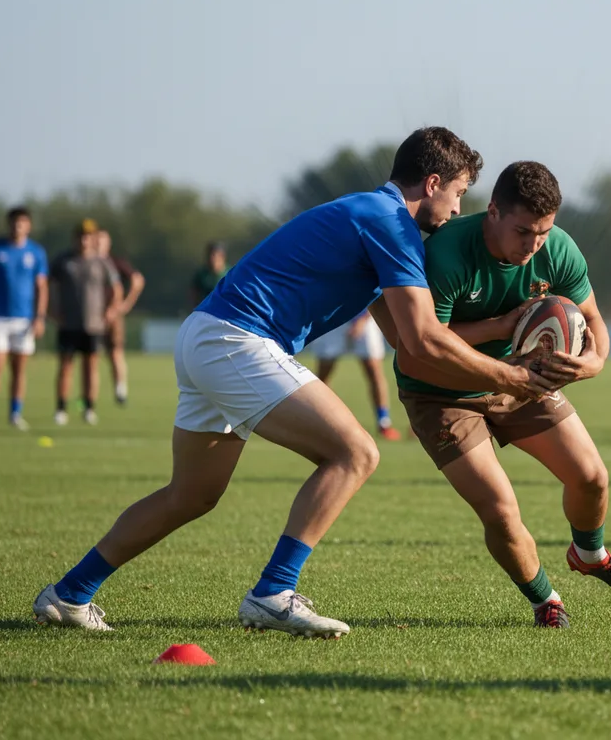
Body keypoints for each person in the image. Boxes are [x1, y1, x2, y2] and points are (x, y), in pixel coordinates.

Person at [33, 127, 551, 637]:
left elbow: (403, 338)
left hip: (207, 335)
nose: (461, 209)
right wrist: (511, 375)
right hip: (238, 339)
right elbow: (422, 340)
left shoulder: (369, 215)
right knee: (356, 453)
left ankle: (70, 594)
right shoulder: (391, 222)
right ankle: (274, 593)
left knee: (191, 495)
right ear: (434, 182)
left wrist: (502, 332)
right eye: (460, 192)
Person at [394, 161, 611, 628]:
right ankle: (546, 601)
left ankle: (590, 555)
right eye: (523, 232)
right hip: (441, 392)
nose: (533, 245)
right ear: (492, 210)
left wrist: (593, 362)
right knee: (499, 509)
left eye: (543, 232)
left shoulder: (557, 249)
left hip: (522, 382)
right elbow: (421, 347)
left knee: (592, 476)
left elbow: (593, 319)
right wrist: (501, 327)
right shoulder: (448, 253)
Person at [49, 219, 123, 426]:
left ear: (93, 238)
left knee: (90, 367)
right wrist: (52, 310)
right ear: (75, 238)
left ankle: (89, 407)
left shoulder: (101, 262)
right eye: (81, 236)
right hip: (68, 323)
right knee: (65, 366)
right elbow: (49, 285)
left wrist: (111, 311)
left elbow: (116, 288)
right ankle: (61, 407)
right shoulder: (63, 260)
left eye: (88, 236)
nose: (84, 240)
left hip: (93, 324)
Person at [311, 311, 402, 440]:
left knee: (374, 371)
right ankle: (322, 423)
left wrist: (361, 319)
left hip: (364, 316)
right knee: (322, 376)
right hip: (332, 319)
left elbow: (374, 291)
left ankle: (384, 423)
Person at [0, 206, 48, 430]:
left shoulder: (36, 253)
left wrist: (40, 317)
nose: (18, 226)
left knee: (19, 370)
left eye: (22, 222)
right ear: (8, 224)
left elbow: (42, 287)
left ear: (28, 226)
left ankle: (15, 414)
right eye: (14, 222)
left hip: (24, 319)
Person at [96, 230, 146, 405]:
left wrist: (125, 305)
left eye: (102, 241)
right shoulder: (88, 262)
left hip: (113, 315)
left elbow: (137, 280)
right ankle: (89, 399)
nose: (98, 244)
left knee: (115, 352)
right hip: (92, 316)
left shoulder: (115, 263)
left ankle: (120, 390)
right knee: (92, 356)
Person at [190, 242, 229, 306]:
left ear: (222, 256)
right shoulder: (201, 274)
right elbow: (194, 294)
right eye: (209, 255)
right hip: (205, 311)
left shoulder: (230, 274)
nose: (211, 258)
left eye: (214, 255)